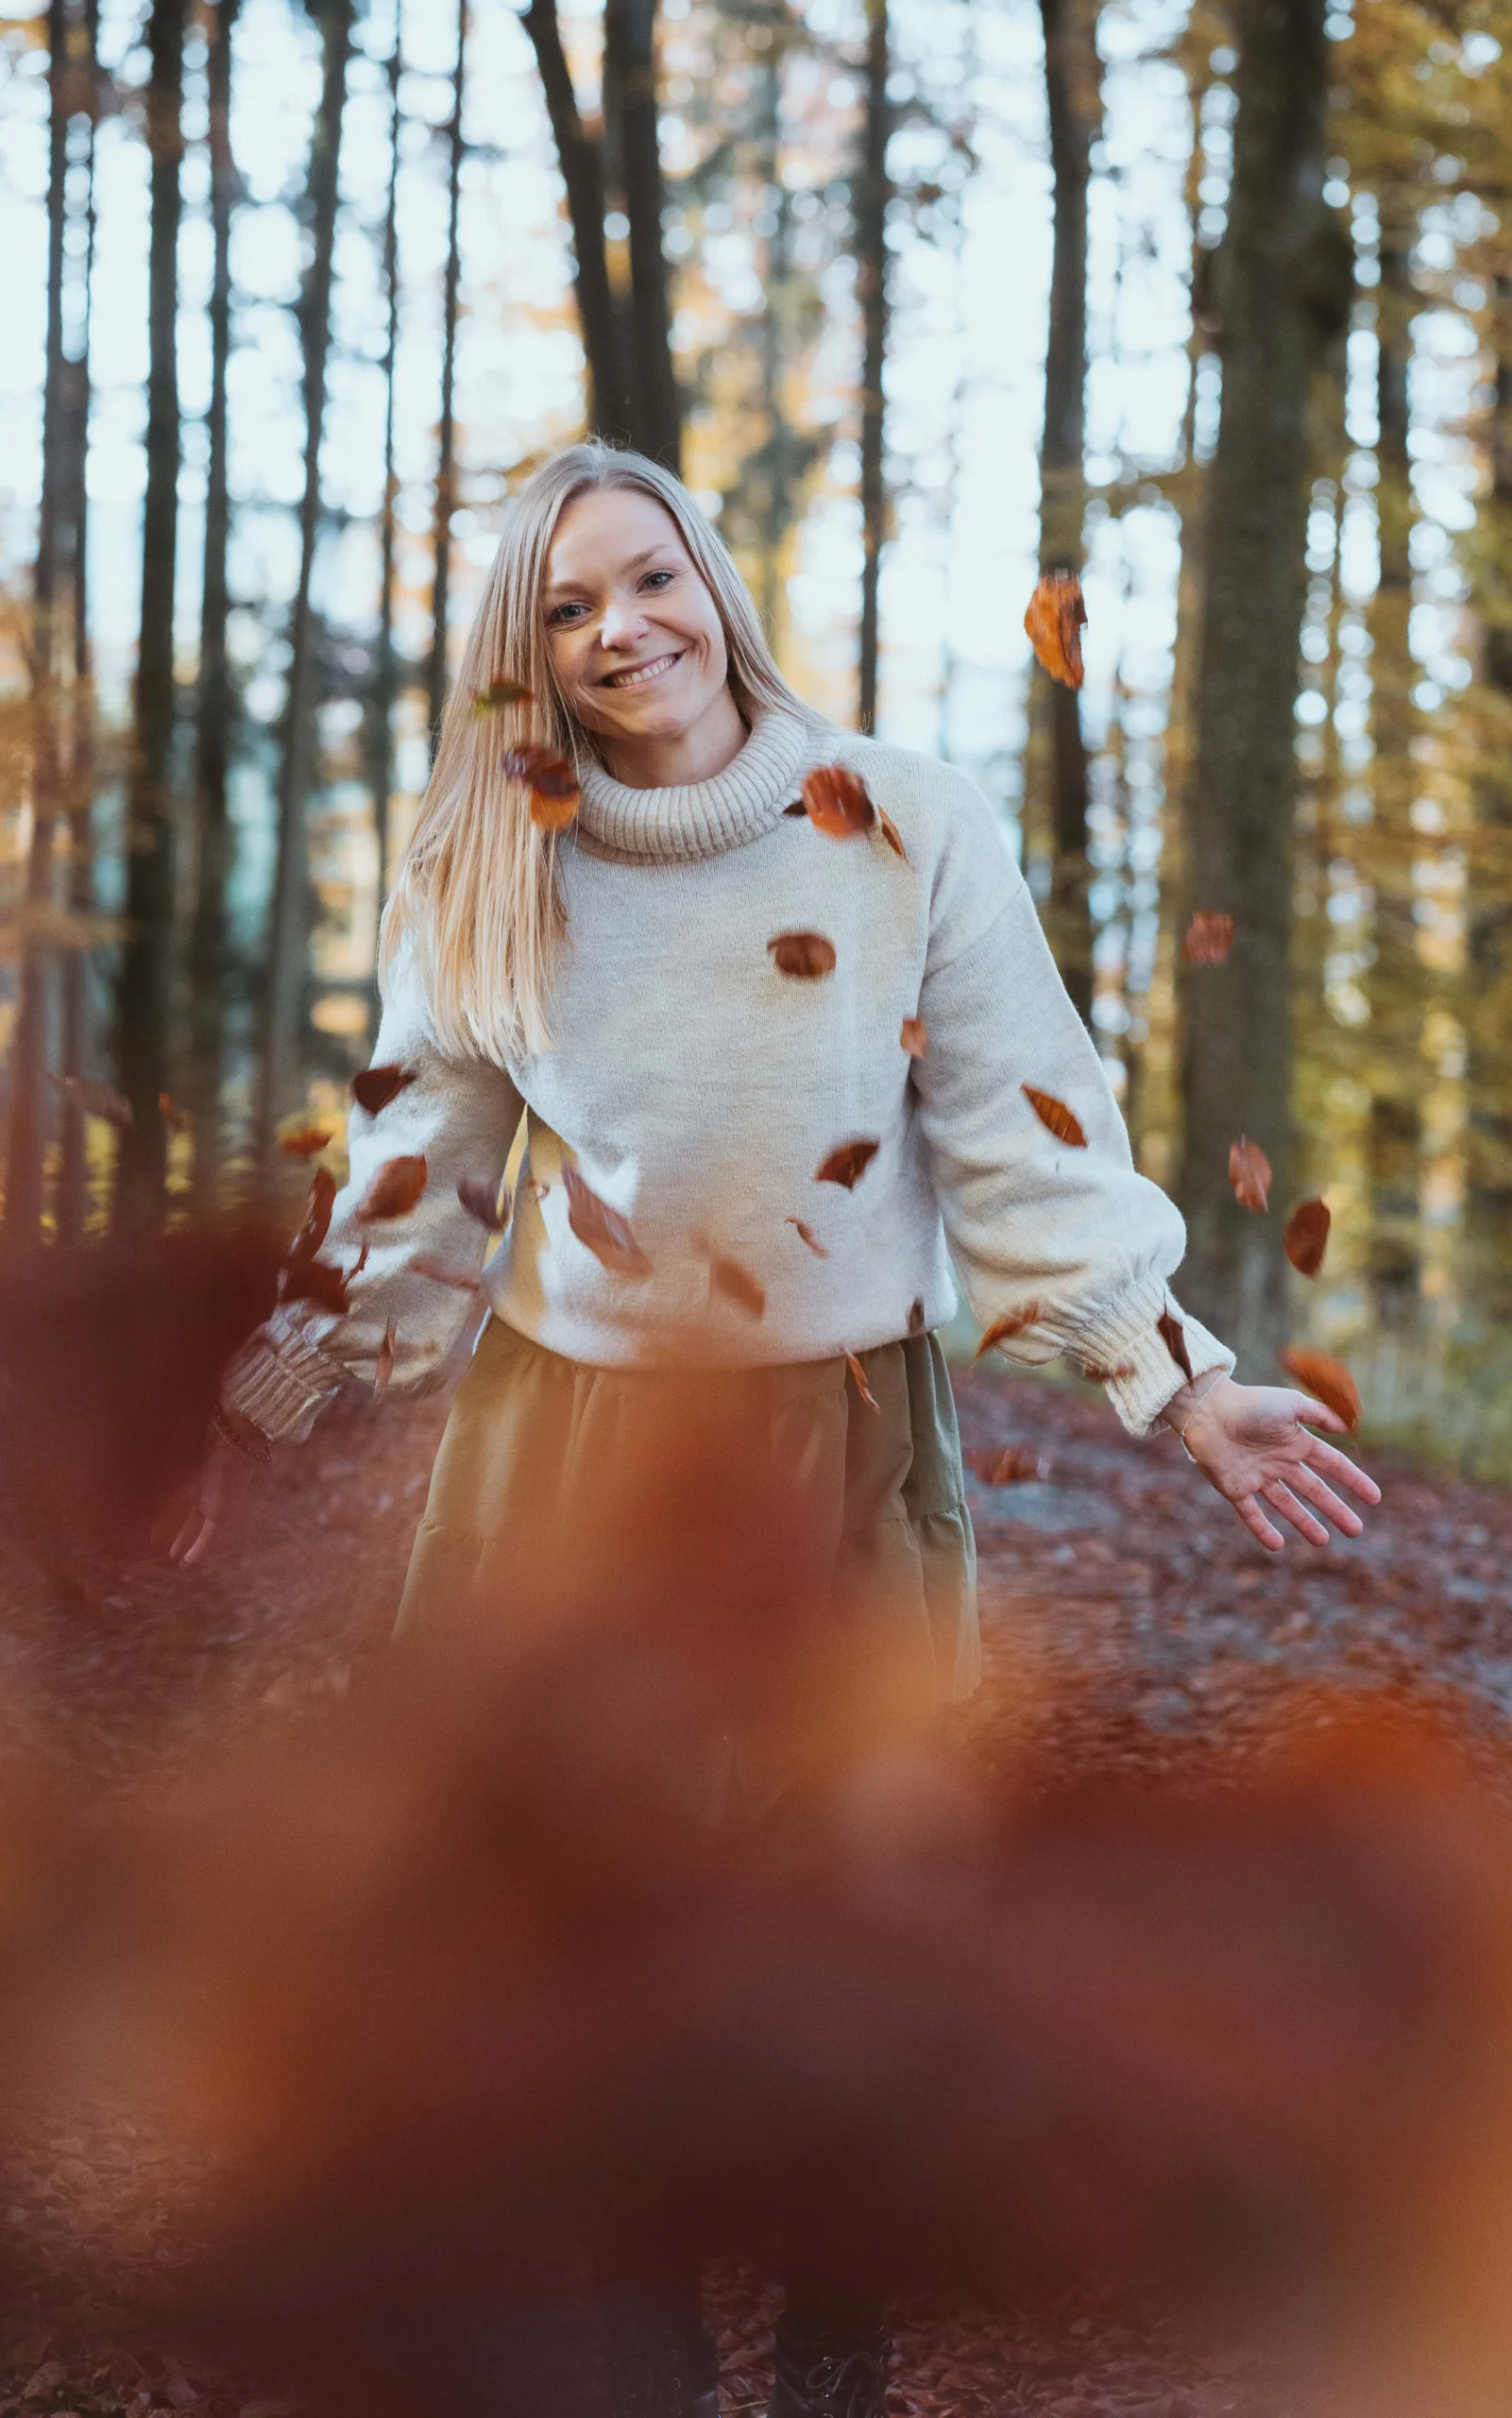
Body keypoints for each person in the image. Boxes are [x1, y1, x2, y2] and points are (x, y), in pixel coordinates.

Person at [172, 442, 1380, 2418]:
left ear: (712, 580)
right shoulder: (493, 854)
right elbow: (419, 1172)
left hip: (839, 1434)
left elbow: (1020, 1129)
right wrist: (261, 1394)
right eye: (566, 609)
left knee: (854, 1905)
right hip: (565, 1452)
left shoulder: (894, 820)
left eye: (647, 579)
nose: (619, 627)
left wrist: (1174, 1375)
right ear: (528, 653)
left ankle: (832, 2364)